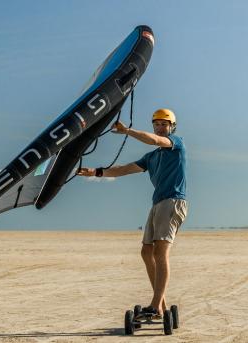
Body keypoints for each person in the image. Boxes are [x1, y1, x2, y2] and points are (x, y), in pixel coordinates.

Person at [76, 108, 187, 317]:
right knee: (146, 252)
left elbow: (155, 140)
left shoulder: (176, 144)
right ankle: (161, 306)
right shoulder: (151, 158)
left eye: (165, 124)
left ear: (172, 127)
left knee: (160, 253)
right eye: (157, 124)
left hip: (173, 202)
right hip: (157, 203)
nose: (161, 128)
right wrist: (96, 172)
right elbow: (123, 169)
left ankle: (155, 306)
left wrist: (127, 131)